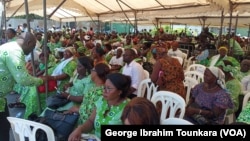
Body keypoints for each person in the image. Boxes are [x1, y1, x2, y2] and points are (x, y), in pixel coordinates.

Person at [0, 32, 46, 141]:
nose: (32, 51)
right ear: (29, 43)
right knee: (3, 130)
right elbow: (23, 79)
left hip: (1, 98)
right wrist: (41, 80)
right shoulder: (15, 51)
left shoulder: (9, 46)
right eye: (33, 47)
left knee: (4, 127)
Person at [68, 73, 131, 140]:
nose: (104, 91)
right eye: (104, 87)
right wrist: (80, 129)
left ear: (119, 91)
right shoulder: (101, 100)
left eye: (109, 88)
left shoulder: (129, 107)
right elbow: (91, 121)